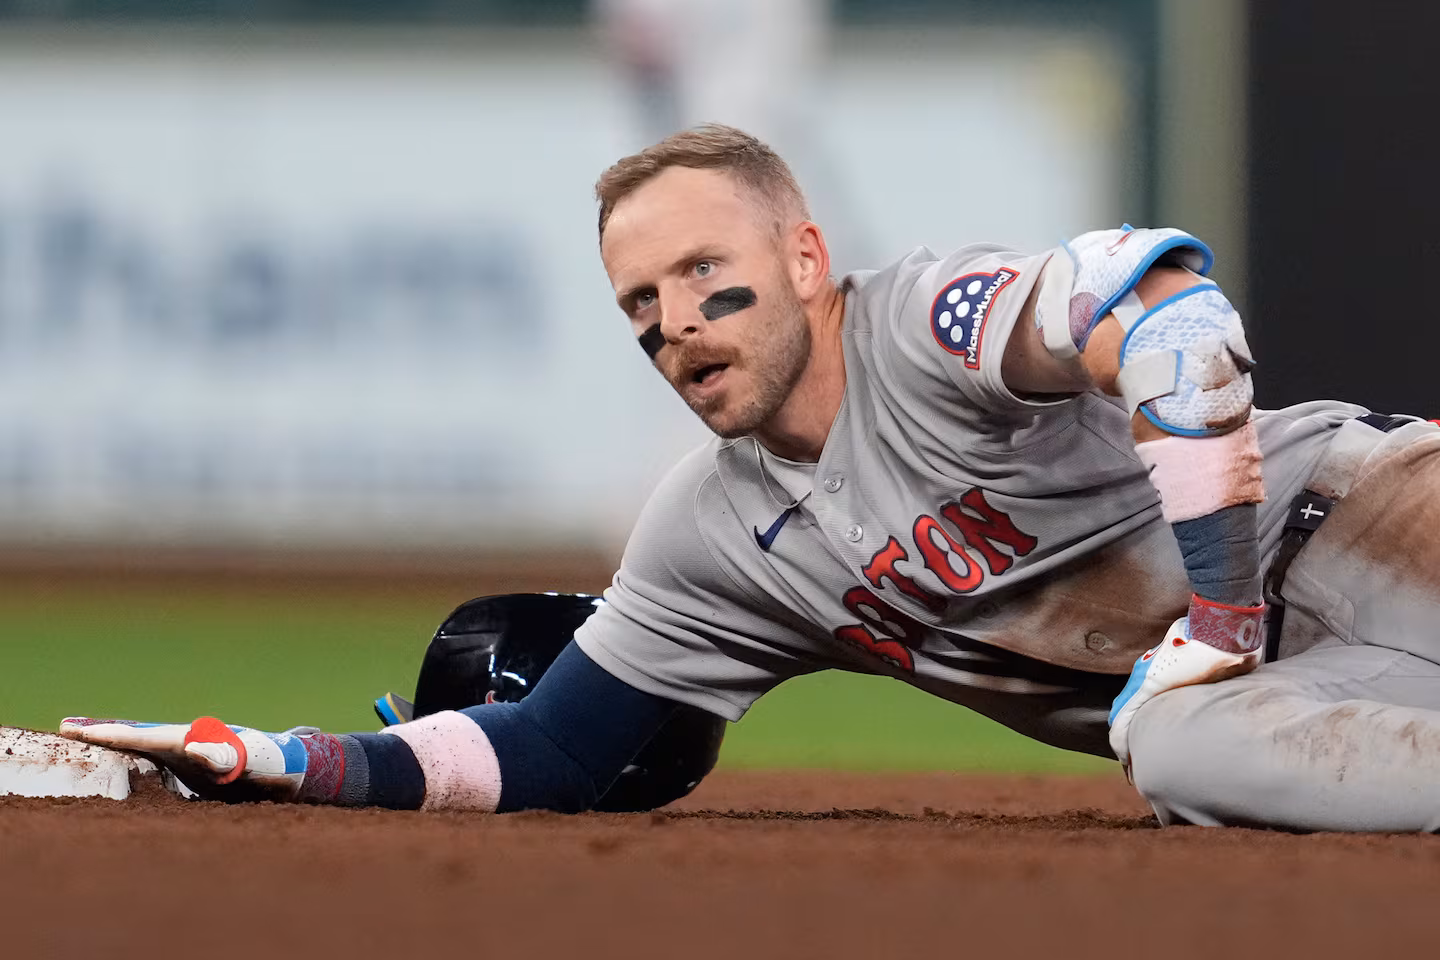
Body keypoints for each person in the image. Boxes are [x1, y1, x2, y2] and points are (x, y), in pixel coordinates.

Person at [65, 126, 1440, 832]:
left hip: (1368, 522)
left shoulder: (925, 323)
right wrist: (270, 759)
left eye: (701, 275)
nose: (674, 322)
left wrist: (1213, 618)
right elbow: (539, 750)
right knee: (1182, 754)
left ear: (801, 259)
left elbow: (1180, 321)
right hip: (1272, 701)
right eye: (638, 305)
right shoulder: (714, 535)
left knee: (1192, 710)